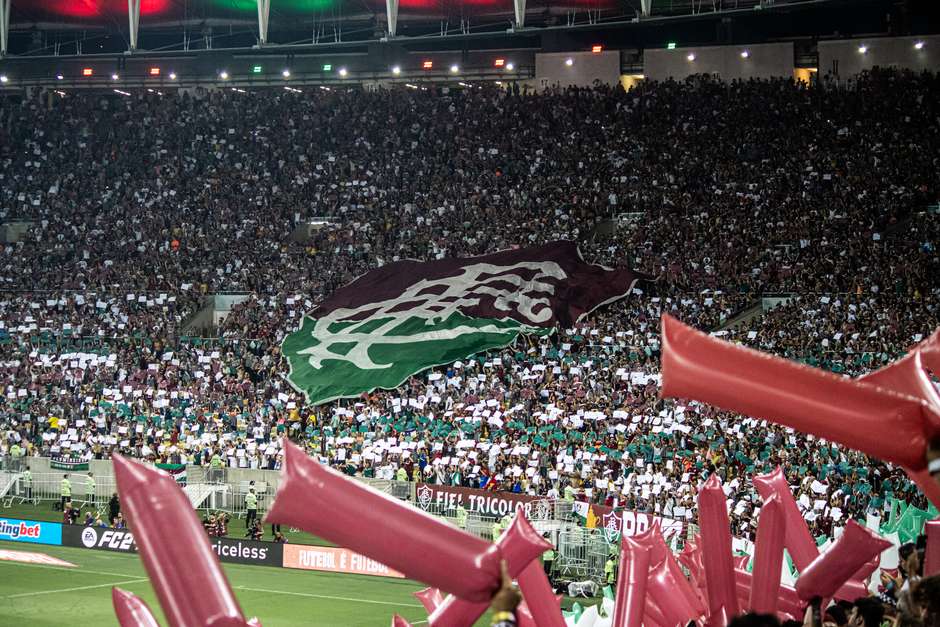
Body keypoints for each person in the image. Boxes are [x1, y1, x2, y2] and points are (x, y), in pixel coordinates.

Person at [489, 560, 521, 627]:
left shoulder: (504, 622)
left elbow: (507, 588)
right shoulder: (510, 617)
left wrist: (503, 571)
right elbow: (508, 587)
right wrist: (504, 571)